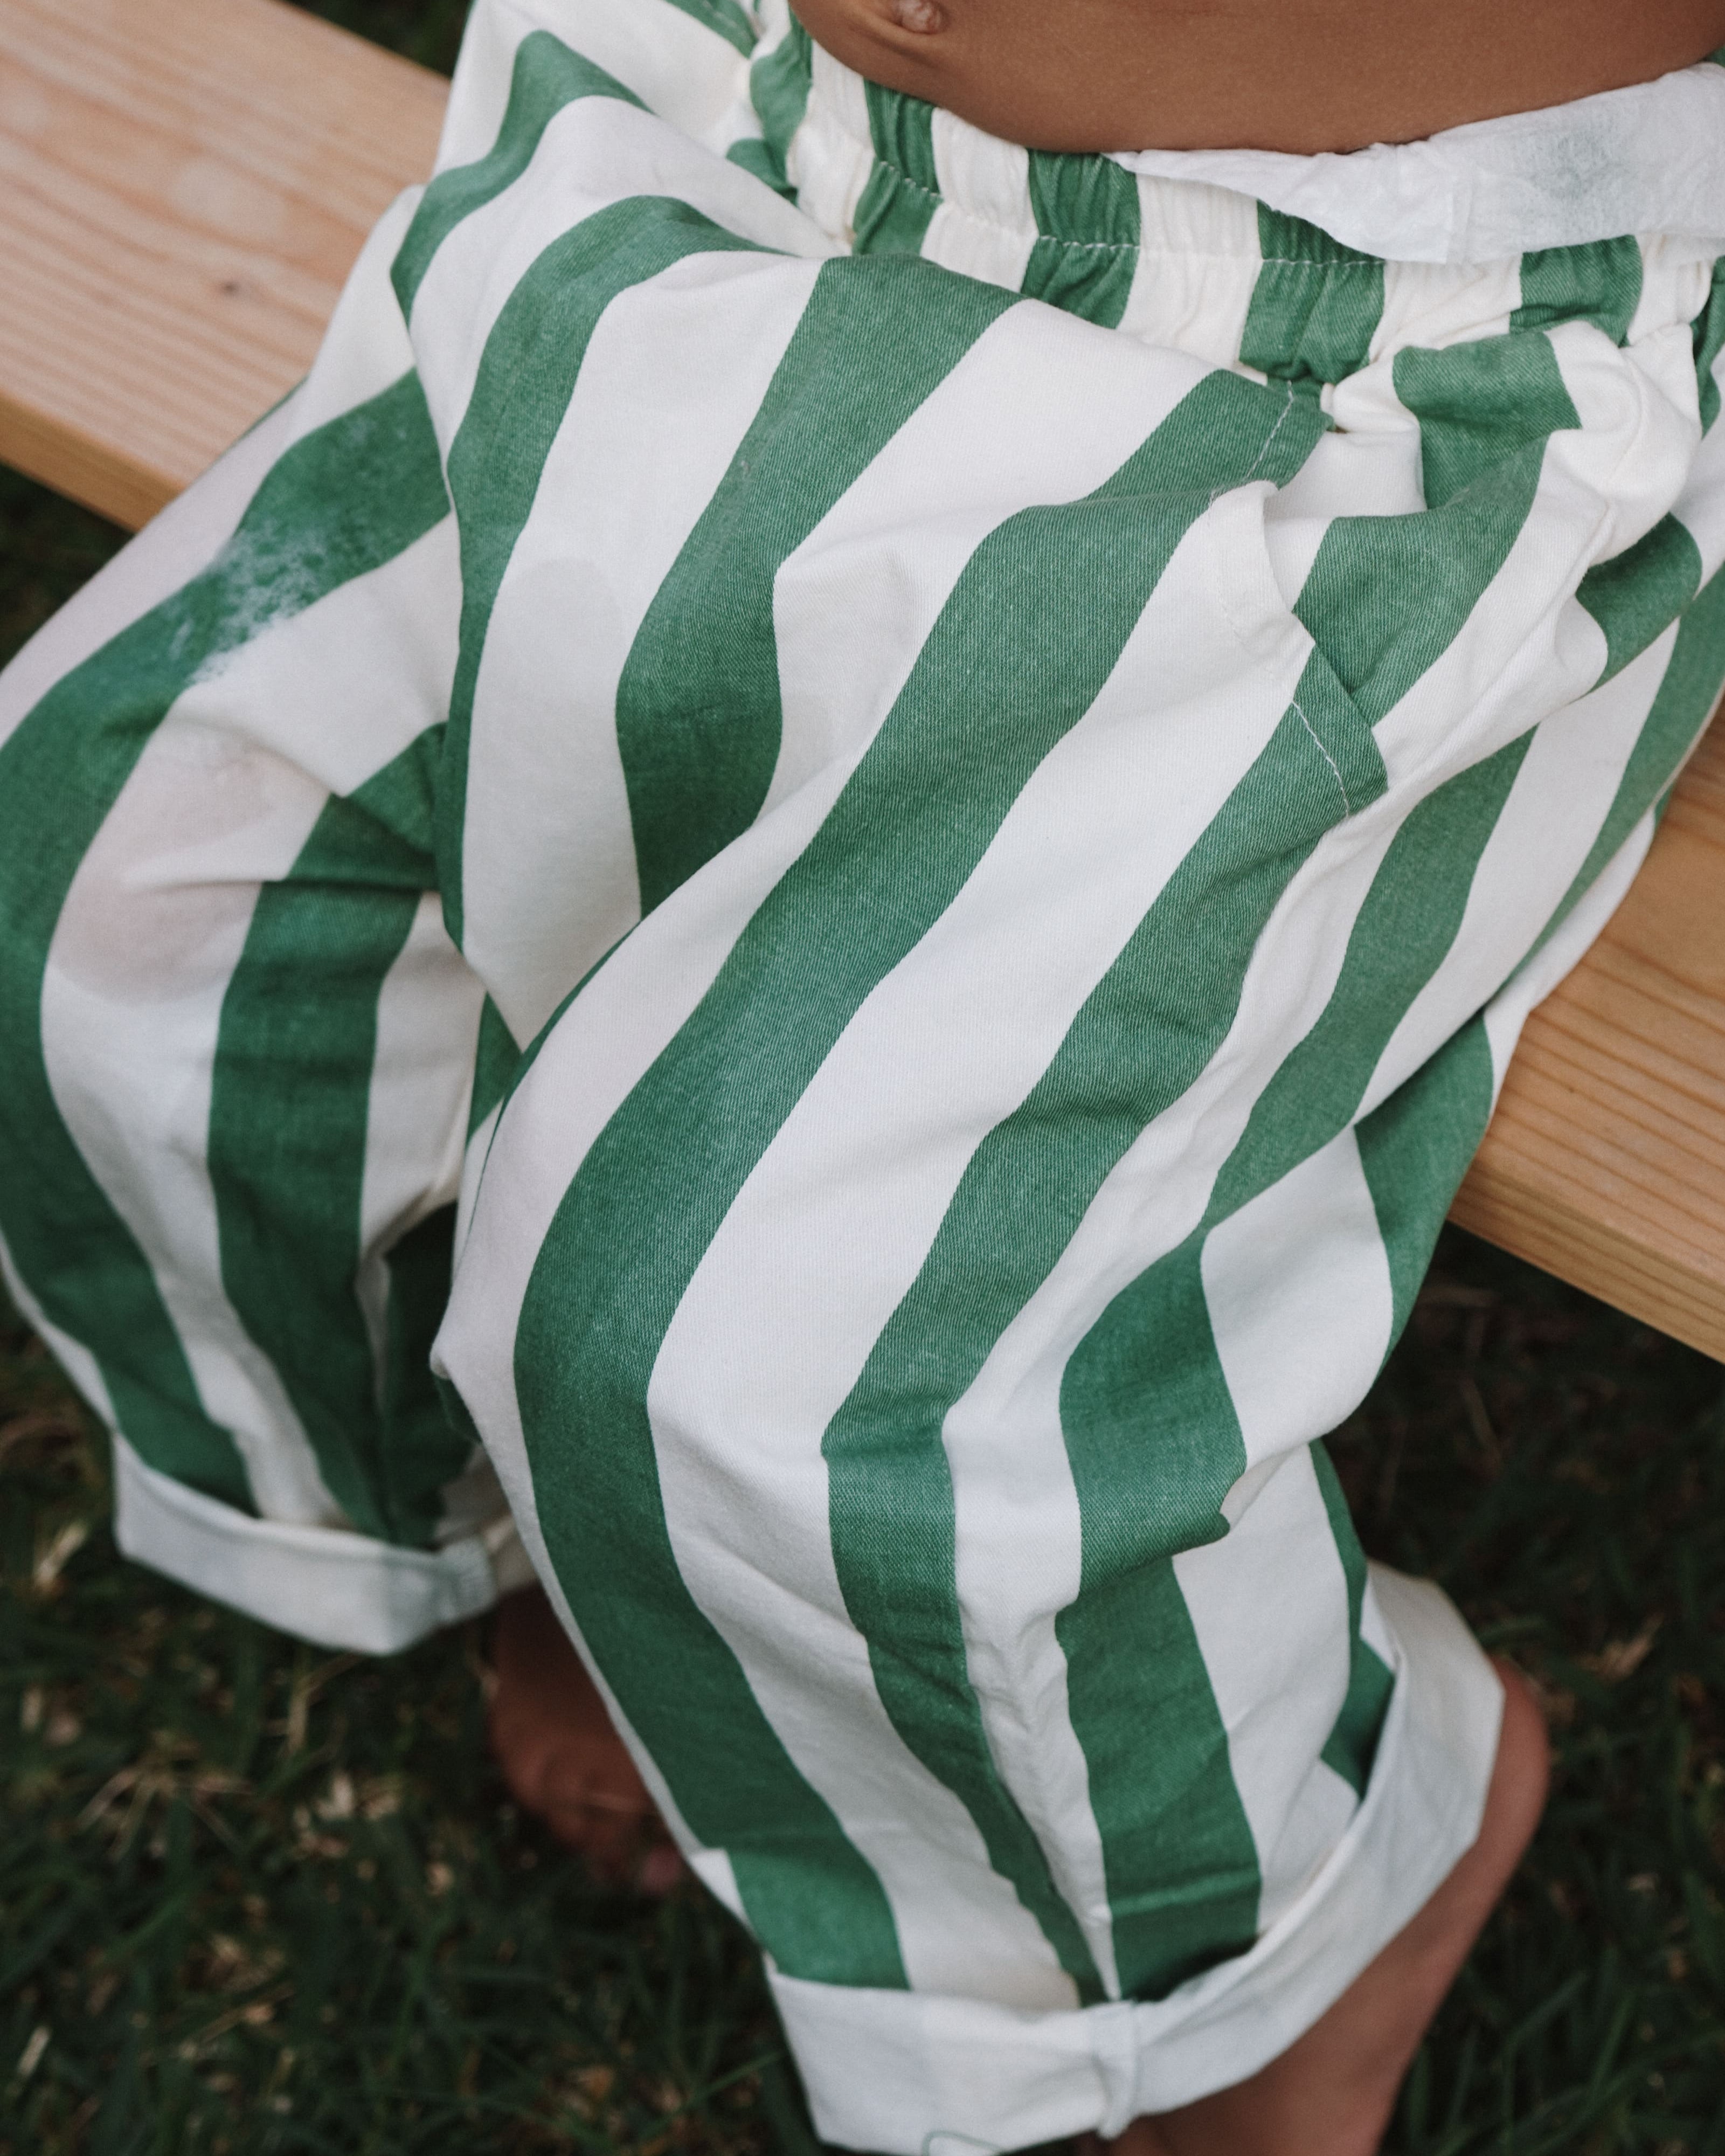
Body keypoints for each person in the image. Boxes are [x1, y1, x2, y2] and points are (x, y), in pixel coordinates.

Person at [3, 0, 1724, 2146]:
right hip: (748, 148)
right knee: (112, 912)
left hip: (1336, 389)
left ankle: (1265, 1954)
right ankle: (559, 1553)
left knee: (790, 1383)